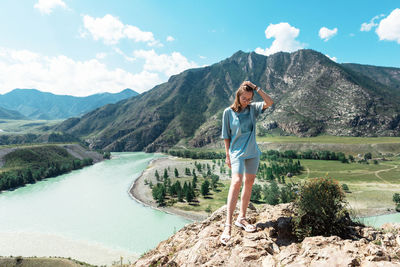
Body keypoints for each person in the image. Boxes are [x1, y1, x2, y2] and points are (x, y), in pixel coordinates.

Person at [219, 80, 274, 245]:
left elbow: (269, 102)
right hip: (236, 154)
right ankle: (228, 225)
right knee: (236, 182)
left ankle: (241, 218)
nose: (247, 101)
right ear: (238, 96)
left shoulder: (253, 109)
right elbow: (226, 136)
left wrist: (257, 88)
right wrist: (227, 155)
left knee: (248, 184)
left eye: (250, 98)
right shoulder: (228, 112)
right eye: (244, 98)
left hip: (252, 153)